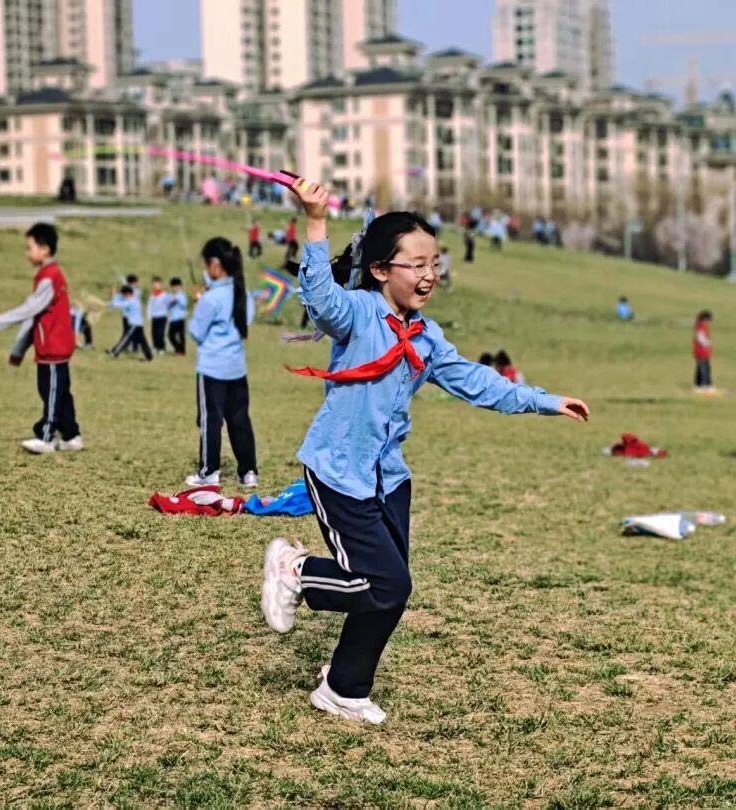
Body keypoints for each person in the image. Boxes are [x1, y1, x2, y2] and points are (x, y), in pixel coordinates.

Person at [260, 176, 590, 724]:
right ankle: (295, 570)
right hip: (339, 471)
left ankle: (343, 687)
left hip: (390, 478)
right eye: (414, 264)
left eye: (433, 262)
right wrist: (315, 220)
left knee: (387, 592)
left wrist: (544, 400)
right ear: (380, 271)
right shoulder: (358, 315)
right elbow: (319, 299)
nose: (429, 274)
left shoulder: (427, 337)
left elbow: (479, 383)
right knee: (385, 582)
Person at [0, 222, 82, 454]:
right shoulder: (46, 276)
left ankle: (45, 436)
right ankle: (71, 436)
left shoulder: (50, 277)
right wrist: (19, 351)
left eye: (29, 247)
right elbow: (35, 316)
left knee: (52, 393)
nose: (27, 253)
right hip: (48, 348)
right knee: (59, 391)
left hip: (55, 347)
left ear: (44, 249)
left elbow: (27, 311)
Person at [187, 237, 258, 488]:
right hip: (237, 368)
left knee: (211, 420)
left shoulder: (211, 298)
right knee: (240, 419)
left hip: (213, 369)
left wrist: (200, 303)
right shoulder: (243, 294)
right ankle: (248, 471)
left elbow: (196, 332)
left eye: (206, 266)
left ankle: (209, 471)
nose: (206, 271)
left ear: (216, 265)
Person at [108, 285, 153, 360]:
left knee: (126, 338)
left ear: (128, 294)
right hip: (139, 324)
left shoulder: (131, 301)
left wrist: (114, 298)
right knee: (142, 341)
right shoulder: (135, 300)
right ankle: (149, 356)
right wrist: (113, 300)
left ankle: (115, 352)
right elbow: (119, 303)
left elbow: (119, 304)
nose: (123, 297)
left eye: (124, 295)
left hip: (134, 325)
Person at [147, 276, 169, 353]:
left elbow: (168, 305)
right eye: (154, 284)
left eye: (157, 284)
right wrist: (149, 315)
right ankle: (155, 347)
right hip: (155, 317)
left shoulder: (165, 295)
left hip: (162, 316)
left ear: (161, 285)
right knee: (154, 333)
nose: (156, 286)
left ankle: (162, 348)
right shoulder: (152, 295)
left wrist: (168, 313)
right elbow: (149, 306)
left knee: (160, 333)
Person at [693, 310, 714, 391]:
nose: (709, 323)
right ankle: (705, 385)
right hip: (701, 352)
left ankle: (697, 384)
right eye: (708, 320)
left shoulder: (701, 326)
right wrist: (708, 343)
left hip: (703, 352)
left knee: (700, 368)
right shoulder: (701, 327)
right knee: (704, 369)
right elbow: (701, 339)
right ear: (705, 319)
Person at [167, 276, 188, 355]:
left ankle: (182, 351)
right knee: (170, 335)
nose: (174, 288)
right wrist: (171, 303)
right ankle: (177, 348)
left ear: (180, 286)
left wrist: (177, 300)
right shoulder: (170, 296)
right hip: (173, 319)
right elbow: (168, 307)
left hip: (180, 318)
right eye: (173, 287)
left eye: (176, 286)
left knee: (181, 336)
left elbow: (184, 305)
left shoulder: (182, 295)